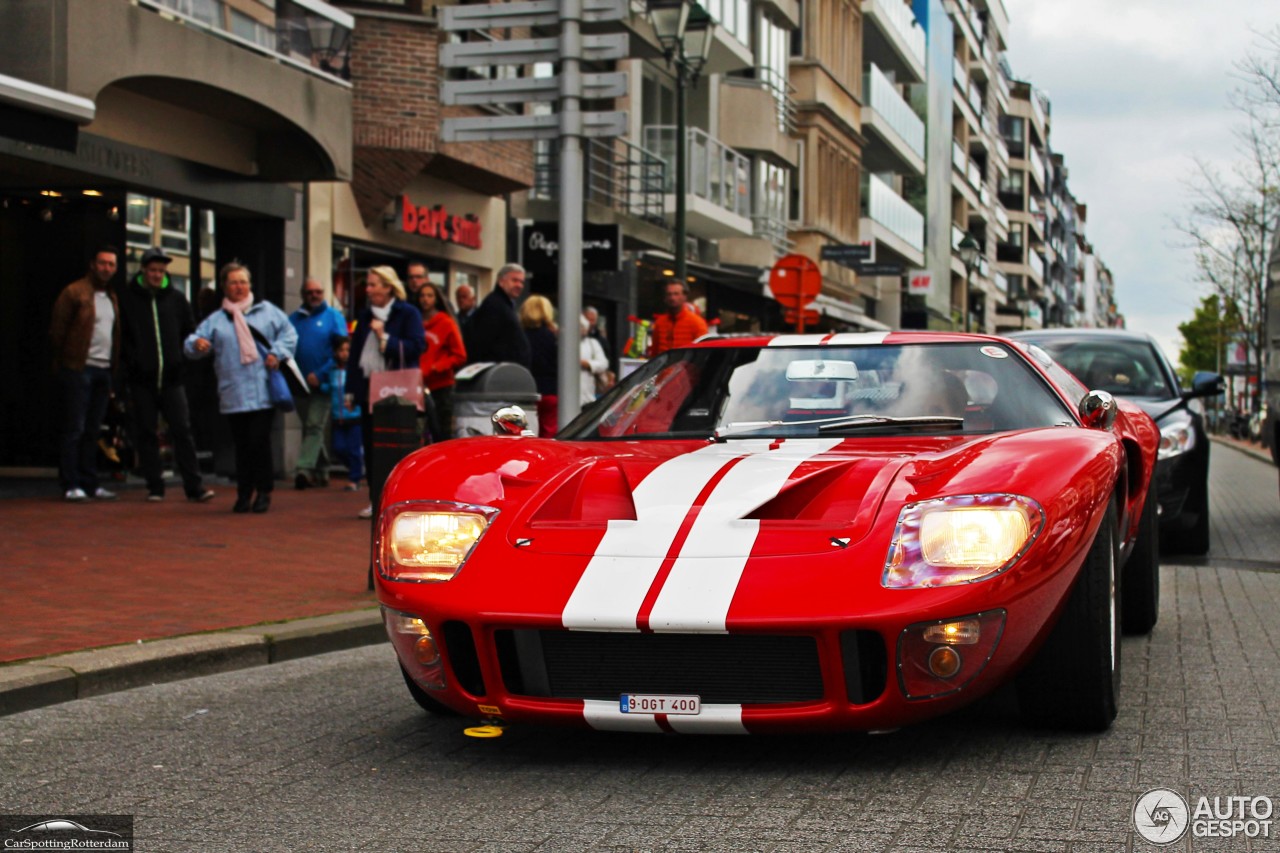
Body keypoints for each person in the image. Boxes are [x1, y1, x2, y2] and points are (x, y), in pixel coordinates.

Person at [185, 262, 297, 514]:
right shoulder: (216, 319)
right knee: (242, 445)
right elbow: (192, 343)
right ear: (224, 286)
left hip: (263, 392)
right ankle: (244, 493)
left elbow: (289, 334)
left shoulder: (267, 311)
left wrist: (277, 353)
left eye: (243, 282)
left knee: (259, 442)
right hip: (233, 392)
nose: (239, 287)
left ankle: (264, 491)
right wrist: (198, 344)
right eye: (234, 282)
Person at [116, 245, 215, 503]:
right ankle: (155, 486)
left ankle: (194, 486)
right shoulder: (129, 299)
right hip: (142, 379)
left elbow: (189, 331)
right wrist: (128, 369)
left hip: (172, 378)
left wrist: (194, 348)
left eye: (161, 270)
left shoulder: (176, 299)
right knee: (146, 432)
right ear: (144, 270)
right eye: (153, 270)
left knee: (182, 430)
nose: (157, 275)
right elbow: (122, 339)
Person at [347, 265, 425, 519]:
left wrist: (385, 339)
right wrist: (351, 390)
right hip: (372, 390)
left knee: (400, 446)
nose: (368, 290)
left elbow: (416, 346)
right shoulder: (365, 316)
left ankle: (401, 499)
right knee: (371, 447)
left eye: (373, 285)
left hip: (399, 392)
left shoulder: (408, 313)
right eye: (367, 285)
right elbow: (355, 357)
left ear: (388, 287)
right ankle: (375, 499)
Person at [50, 245, 121, 502]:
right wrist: (66, 363)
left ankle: (90, 482)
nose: (107, 268)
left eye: (112, 264)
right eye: (103, 263)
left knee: (93, 429)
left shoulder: (111, 296)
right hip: (79, 368)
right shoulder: (74, 292)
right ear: (93, 264)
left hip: (104, 369)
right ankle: (70, 483)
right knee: (75, 428)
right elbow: (58, 331)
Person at [288, 277, 348, 489]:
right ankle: (322, 471)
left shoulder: (334, 317)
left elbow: (342, 350)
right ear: (303, 295)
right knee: (312, 426)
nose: (314, 296)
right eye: (309, 292)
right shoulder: (294, 319)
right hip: (299, 384)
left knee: (314, 425)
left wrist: (321, 374)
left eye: (318, 292)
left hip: (323, 384)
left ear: (324, 293)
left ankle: (304, 469)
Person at [416, 281, 467, 442]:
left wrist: (437, 367)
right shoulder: (415, 321)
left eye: (430, 295)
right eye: (422, 295)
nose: (425, 299)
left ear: (436, 299)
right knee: (419, 431)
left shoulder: (446, 322)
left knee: (442, 431)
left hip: (441, 386)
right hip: (417, 385)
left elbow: (460, 355)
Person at [464, 263, 531, 368]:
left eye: (521, 282)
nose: (519, 285)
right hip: (499, 374)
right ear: (501, 281)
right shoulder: (494, 305)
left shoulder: (505, 305)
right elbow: (483, 342)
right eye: (514, 280)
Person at [325, 336, 364, 492]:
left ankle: (354, 478)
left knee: (354, 448)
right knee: (338, 447)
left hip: (354, 416)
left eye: (348, 350)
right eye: (341, 350)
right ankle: (357, 467)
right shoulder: (332, 370)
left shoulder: (354, 370)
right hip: (337, 416)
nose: (345, 354)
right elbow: (329, 388)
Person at [521, 294, 559, 437]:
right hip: (550, 391)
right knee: (548, 432)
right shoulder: (551, 336)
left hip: (527, 391)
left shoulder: (520, 335)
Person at [650, 280, 708, 357]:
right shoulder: (660, 322)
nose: (672, 298)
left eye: (676, 294)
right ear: (665, 298)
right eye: (669, 294)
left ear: (684, 296)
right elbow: (654, 352)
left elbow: (703, 353)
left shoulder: (697, 323)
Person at [579, 313, 609, 409]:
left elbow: (604, 363)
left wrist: (588, 364)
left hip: (588, 395)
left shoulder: (592, 343)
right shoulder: (561, 342)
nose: (583, 330)